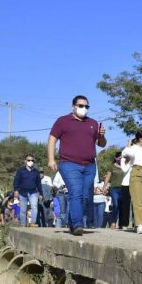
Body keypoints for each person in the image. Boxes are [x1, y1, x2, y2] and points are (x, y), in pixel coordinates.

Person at [47, 95, 107, 236]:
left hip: (90, 166)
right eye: (81, 106)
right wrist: (51, 159)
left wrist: (102, 136)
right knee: (76, 192)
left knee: (86, 196)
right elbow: (52, 139)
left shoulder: (93, 123)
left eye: (86, 106)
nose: (84, 109)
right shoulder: (62, 121)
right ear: (73, 106)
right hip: (69, 164)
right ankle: (78, 225)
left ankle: (72, 222)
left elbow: (102, 144)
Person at [121, 130, 142, 234]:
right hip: (136, 172)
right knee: (137, 201)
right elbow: (124, 153)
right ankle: (139, 224)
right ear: (141, 139)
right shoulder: (133, 148)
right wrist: (129, 145)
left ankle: (139, 220)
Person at [13, 154, 41, 227]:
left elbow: (39, 183)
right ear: (25, 161)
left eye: (32, 160)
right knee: (23, 210)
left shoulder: (36, 172)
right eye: (29, 160)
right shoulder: (20, 171)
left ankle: (33, 223)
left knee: (34, 207)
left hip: (33, 192)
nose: (30, 161)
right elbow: (16, 181)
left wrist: (41, 194)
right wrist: (16, 190)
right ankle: (23, 224)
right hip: (22, 193)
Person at [103, 151, 126, 229]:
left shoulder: (125, 166)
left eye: (122, 157)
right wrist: (104, 187)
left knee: (121, 206)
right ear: (116, 158)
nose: (121, 159)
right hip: (114, 189)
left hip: (123, 188)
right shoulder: (112, 166)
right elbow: (108, 177)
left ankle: (121, 224)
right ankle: (113, 222)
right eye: (119, 157)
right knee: (115, 205)